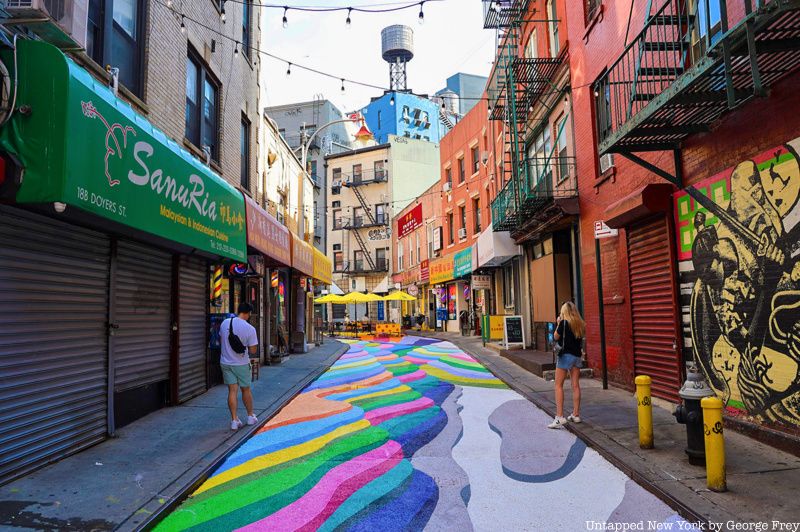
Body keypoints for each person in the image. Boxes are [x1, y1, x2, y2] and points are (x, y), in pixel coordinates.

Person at [219, 302, 259, 431]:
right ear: (248, 313)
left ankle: (234, 420)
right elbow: (253, 351)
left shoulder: (225, 323)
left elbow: (221, 340)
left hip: (225, 362)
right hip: (241, 364)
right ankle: (250, 416)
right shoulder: (250, 329)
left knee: (232, 391)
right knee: (245, 390)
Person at [548, 301, 586, 429]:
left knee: (558, 385)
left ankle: (559, 417)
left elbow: (555, 337)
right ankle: (576, 414)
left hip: (565, 356)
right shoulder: (579, 323)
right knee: (575, 385)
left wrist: (558, 323)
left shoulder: (564, 323)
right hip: (577, 357)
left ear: (564, 312)